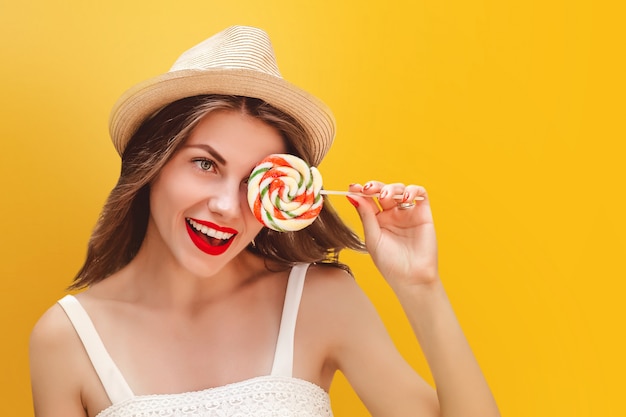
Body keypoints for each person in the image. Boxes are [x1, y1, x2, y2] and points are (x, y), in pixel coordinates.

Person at [29, 26, 500, 417]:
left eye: (254, 178)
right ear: (151, 166)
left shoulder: (320, 301)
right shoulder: (66, 339)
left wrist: (421, 287)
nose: (228, 207)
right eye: (205, 164)